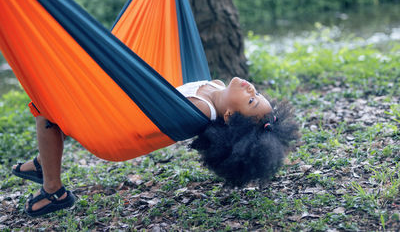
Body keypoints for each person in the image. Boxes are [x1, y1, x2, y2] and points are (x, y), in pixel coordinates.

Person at [12, 77, 300, 217]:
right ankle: (42, 162)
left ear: (228, 118)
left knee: (48, 110)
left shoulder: (199, 109)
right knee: (58, 107)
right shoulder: (217, 86)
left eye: (251, 100)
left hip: (117, 125)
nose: (252, 89)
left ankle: (54, 191)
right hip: (126, 102)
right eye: (257, 94)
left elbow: (147, 108)